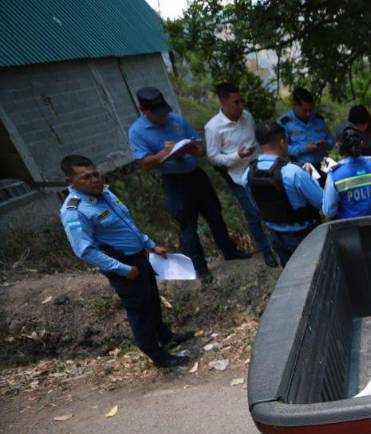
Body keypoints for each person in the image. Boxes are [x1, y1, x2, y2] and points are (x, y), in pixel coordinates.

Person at [59, 155, 192, 368]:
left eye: (95, 174)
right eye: (86, 177)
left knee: (152, 300)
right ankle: (157, 355)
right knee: (139, 310)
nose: (94, 180)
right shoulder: (74, 210)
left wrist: (150, 244)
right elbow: (85, 250)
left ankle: (166, 337)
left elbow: (127, 224)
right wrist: (122, 269)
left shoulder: (105, 193)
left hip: (139, 257)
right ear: (70, 181)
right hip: (121, 265)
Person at [128, 87, 248, 285]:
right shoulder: (137, 132)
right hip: (175, 182)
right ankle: (200, 268)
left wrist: (189, 149)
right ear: (143, 110)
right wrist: (165, 154)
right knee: (188, 226)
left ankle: (230, 251)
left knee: (215, 215)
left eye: (164, 111)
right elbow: (144, 164)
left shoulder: (176, 120)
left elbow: (200, 149)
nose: (163, 117)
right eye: (157, 114)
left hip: (196, 175)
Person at [204, 82, 277, 268]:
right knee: (254, 213)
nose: (240, 105)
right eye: (235, 102)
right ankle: (266, 250)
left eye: (241, 101)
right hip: (238, 177)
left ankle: (277, 242)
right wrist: (237, 156)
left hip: (261, 171)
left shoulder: (247, 116)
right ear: (223, 101)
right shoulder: (213, 127)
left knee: (272, 206)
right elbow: (213, 157)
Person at [239, 122, 323, 266]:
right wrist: (310, 178)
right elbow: (321, 202)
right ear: (282, 142)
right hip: (305, 236)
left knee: (290, 271)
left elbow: (256, 207)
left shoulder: (247, 175)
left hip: (276, 236)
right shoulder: (293, 172)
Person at [323, 123, 371, 219]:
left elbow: (329, 212)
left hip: (350, 227)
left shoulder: (335, 175)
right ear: (361, 142)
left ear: (338, 145)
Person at [278, 88, 335, 175]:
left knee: (336, 178)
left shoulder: (318, 119)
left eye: (310, 110)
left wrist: (326, 144)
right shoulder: (285, 123)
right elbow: (282, 149)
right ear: (294, 105)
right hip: (301, 166)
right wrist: (304, 148)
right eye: (304, 110)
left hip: (323, 163)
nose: (308, 113)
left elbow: (331, 141)